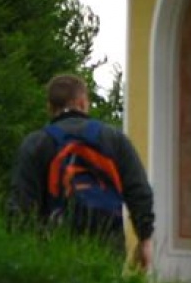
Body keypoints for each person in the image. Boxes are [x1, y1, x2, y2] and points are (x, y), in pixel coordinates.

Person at [9, 74, 155, 271]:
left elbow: (22, 203)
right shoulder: (114, 139)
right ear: (83, 103)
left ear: (50, 108)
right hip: (107, 246)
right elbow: (139, 191)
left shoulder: (36, 143)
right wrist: (144, 238)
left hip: (54, 248)